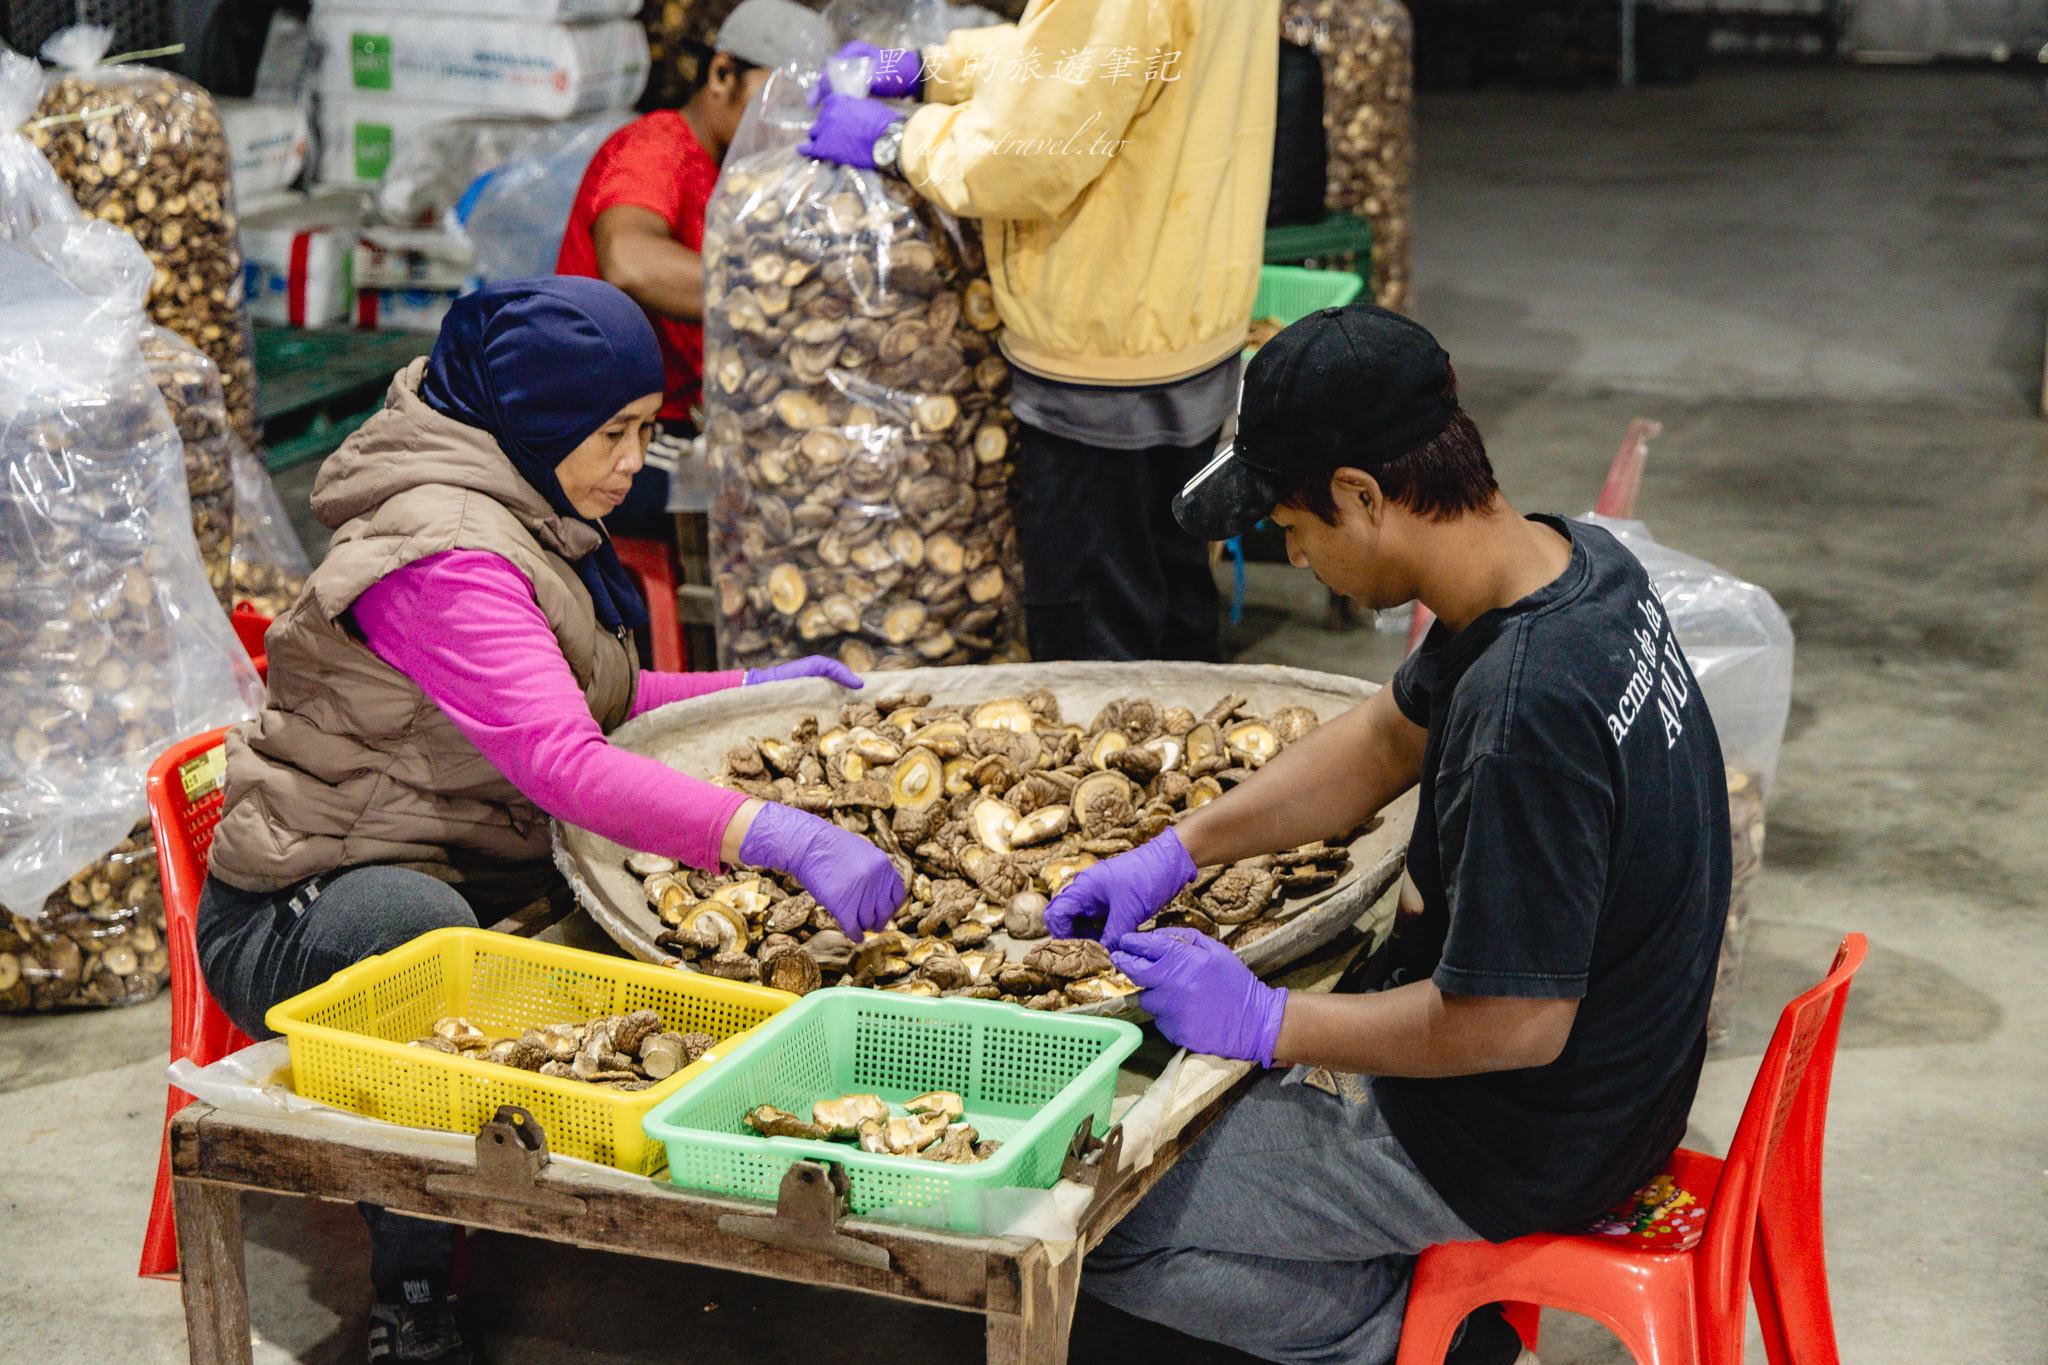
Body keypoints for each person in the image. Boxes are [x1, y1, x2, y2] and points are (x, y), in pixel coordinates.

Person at [198, 278, 906, 1364]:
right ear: (532, 422)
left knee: (679, 906)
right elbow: (565, 762)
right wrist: (779, 833)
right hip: (310, 910)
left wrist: (757, 692)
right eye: (615, 433)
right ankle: (415, 1285)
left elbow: (595, 702)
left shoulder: (525, 502)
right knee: (422, 937)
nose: (636, 459)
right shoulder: (444, 556)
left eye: (649, 429)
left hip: (469, 853)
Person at [1041, 304, 1731, 1365]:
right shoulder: (1564, 564)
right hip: (1624, 1087)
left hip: (1521, 1139)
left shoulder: (1524, 712)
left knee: (1092, 1222)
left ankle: (1414, 1338)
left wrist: (1269, 1022)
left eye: (1292, 527)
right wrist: (1177, 850)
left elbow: (1512, 1025)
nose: (1296, 553)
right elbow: (1376, 742)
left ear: (1361, 496)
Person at [800, 0, 1278, 662]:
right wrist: (928, 69)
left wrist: (898, 139)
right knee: (1173, 598)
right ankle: (1195, 762)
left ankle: (1110, 764)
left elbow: (1024, 157)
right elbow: (1096, 65)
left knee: (1093, 632)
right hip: (1187, 318)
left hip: (1102, 350)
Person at [555, 0, 829, 538]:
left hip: (679, 419)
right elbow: (630, 262)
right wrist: (785, 295)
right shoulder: (657, 149)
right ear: (722, 73)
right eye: (780, 102)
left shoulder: (750, 176)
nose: (791, 127)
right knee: (784, 496)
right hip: (604, 431)